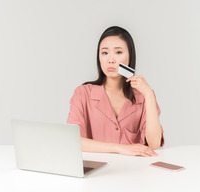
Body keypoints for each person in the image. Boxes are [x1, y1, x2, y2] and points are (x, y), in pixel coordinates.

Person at [67, 26, 164, 157]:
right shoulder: (83, 93)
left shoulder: (143, 96)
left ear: (130, 56)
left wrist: (149, 95)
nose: (111, 60)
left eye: (118, 52)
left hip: (135, 171)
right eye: (105, 53)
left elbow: (154, 143)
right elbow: (73, 141)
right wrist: (120, 148)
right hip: (97, 172)